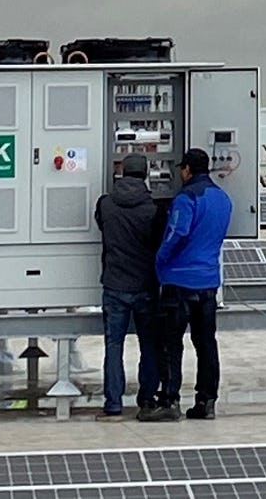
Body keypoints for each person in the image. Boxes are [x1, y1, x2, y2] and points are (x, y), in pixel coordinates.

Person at [147, 148, 233, 421]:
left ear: (187, 170)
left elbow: (177, 233)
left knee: (171, 344)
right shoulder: (223, 198)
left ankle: (170, 400)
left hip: (179, 280)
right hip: (208, 282)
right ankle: (206, 402)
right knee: (206, 343)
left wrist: (159, 261)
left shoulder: (186, 198)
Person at [93, 153, 164, 422]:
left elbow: (101, 224)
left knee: (114, 345)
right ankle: (146, 399)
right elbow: (159, 242)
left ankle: (113, 404)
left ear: (122, 172)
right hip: (145, 286)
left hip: (114, 285)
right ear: (145, 174)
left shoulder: (106, 204)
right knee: (149, 345)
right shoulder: (154, 209)